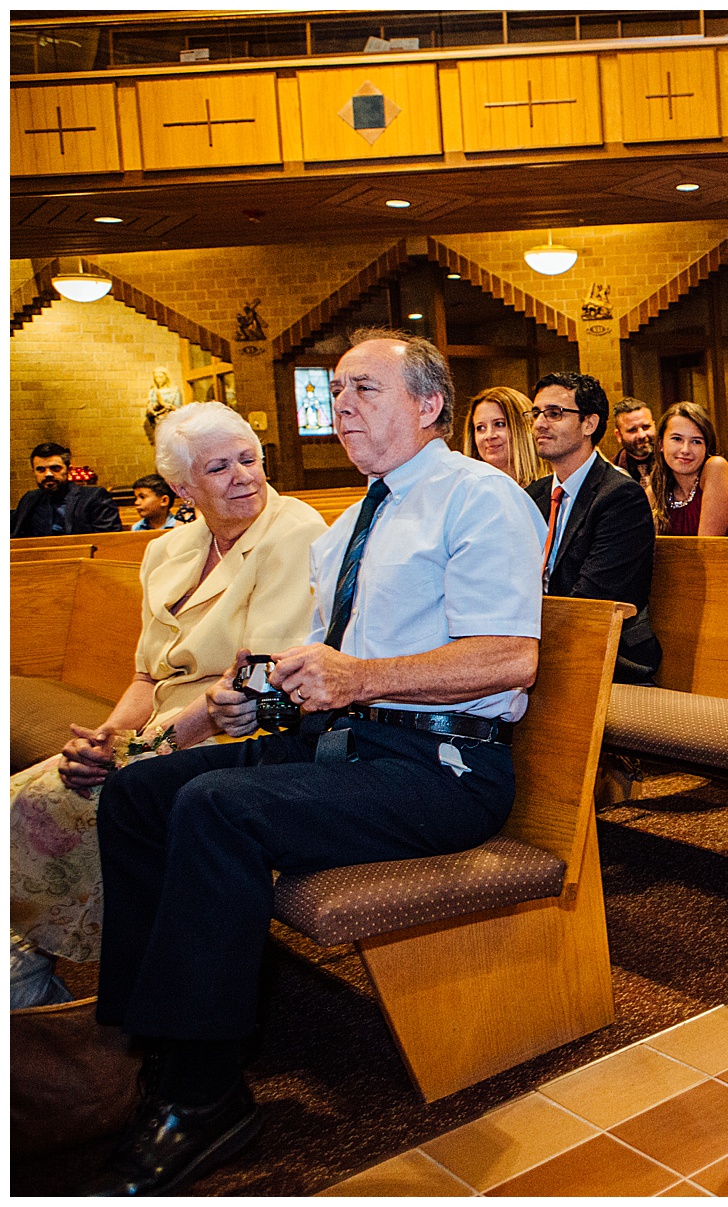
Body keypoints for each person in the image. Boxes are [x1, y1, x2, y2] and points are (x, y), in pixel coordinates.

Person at [87, 329, 544, 1195]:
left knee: (218, 807)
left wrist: (357, 679)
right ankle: (146, 1041)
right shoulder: (354, 519)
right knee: (141, 792)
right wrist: (255, 698)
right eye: (334, 392)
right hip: (349, 742)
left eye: (364, 390)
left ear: (429, 404)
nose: (341, 408)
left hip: (443, 765)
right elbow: (321, 665)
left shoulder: (478, 500)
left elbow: (510, 658)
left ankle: (206, 1093)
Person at [11, 404, 325, 1008]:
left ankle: (32, 985)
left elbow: (256, 685)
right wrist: (103, 738)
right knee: (34, 790)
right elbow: (143, 676)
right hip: (164, 723)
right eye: (219, 467)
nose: (244, 476)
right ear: (183, 488)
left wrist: (139, 750)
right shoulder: (169, 550)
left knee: (49, 801)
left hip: (237, 731)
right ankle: (32, 972)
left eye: (249, 458)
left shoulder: (296, 532)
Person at [527, 371, 662, 683]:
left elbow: (593, 600)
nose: (540, 423)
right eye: (536, 413)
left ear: (589, 423)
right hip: (544, 643)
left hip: (611, 657)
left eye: (555, 413)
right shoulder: (534, 495)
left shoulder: (620, 497)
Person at [647, 401, 728, 536]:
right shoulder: (656, 490)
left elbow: (707, 549)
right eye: (677, 439)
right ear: (660, 444)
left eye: (696, 441)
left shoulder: (716, 468)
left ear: (707, 447)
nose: (685, 450)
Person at [12, 442, 122, 536]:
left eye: (55, 468)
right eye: (40, 469)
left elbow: (109, 541)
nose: (48, 474)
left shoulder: (93, 497)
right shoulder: (30, 499)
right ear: (34, 472)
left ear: (68, 469)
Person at [460, 385, 547, 487]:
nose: (489, 435)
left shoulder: (553, 491)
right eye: (481, 428)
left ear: (524, 427)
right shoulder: (468, 491)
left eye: (499, 424)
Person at [609, 397, 658, 487]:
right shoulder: (612, 473)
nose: (641, 435)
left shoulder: (673, 462)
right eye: (632, 430)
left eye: (646, 427)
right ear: (618, 435)